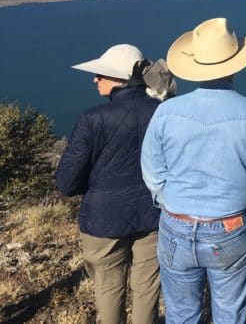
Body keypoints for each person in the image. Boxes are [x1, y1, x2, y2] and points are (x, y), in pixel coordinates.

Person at [141, 18, 246, 324]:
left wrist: (170, 200)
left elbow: (152, 171)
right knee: (231, 314)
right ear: (235, 64)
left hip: (176, 224)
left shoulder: (166, 112)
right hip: (231, 226)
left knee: (180, 314)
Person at [57, 44, 175, 324]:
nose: (95, 79)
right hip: (155, 214)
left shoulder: (92, 119)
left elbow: (67, 183)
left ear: (119, 78)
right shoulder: (165, 113)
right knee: (147, 287)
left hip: (103, 220)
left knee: (109, 288)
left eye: (101, 74)